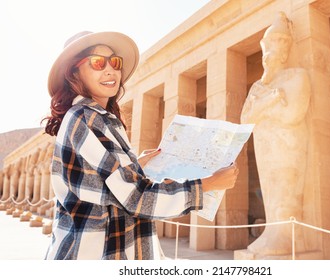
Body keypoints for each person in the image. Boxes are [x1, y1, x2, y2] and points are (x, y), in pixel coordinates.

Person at [43, 31, 238, 260]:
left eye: (115, 62)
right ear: (74, 73)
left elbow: (105, 187)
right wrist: (208, 184)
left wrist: (136, 167)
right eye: (97, 62)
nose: (110, 69)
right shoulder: (86, 118)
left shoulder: (99, 118)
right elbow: (137, 199)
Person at [241, 12, 311, 257]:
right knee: (270, 191)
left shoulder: (297, 76)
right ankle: (274, 232)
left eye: (279, 44)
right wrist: (270, 99)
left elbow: (292, 114)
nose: (270, 54)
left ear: (286, 49)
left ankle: (286, 236)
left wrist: (265, 108)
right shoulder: (260, 86)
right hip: (265, 145)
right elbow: (245, 120)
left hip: (288, 144)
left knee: (286, 189)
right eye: (268, 47)